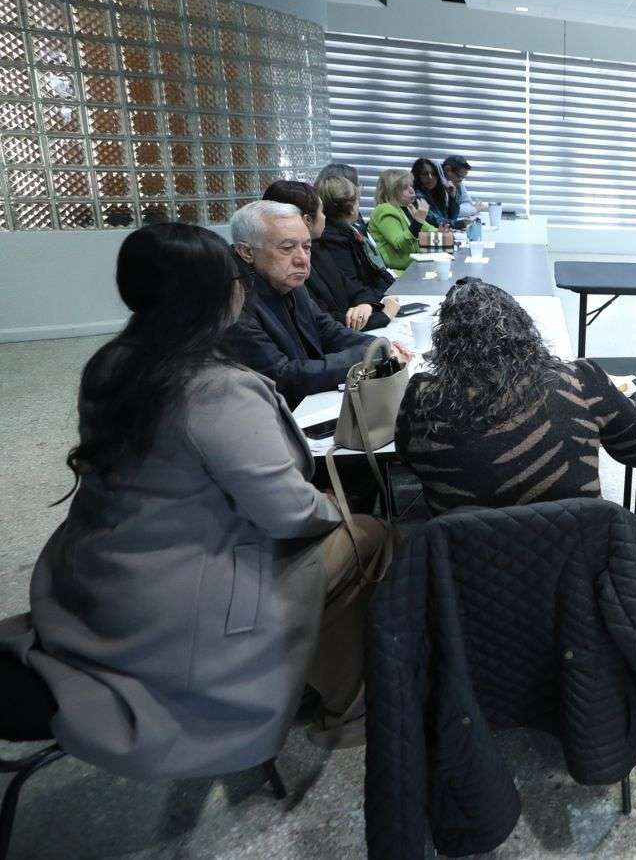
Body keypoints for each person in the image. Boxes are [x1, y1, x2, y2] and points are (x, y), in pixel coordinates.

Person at [0, 223, 390, 773]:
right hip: (180, 599)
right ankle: (348, 713)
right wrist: (331, 503)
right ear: (218, 293)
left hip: (95, 575)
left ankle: (309, 674)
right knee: (369, 536)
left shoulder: (110, 363)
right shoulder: (216, 389)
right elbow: (287, 514)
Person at [396, 279, 636, 510]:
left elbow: (409, 464)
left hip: (465, 553)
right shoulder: (578, 379)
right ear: (523, 329)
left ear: (444, 343)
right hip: (578, 548)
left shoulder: (422, 397)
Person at [226, 200, 409, 408]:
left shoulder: (287, 280)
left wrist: (379, 346)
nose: (302, 259)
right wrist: (365, 355)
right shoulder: (233, 304)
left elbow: (329, 331)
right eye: (287, 248)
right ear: (247, 252)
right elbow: (283, 375)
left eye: (306, 247)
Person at [310, 174, 398, 331]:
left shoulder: (349, 230)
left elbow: (355, 285)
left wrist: (373, 301)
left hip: (370, 304)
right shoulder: (331, 240)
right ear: (350, 207)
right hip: (353, 321)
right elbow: (353, 284)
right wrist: (383, 313)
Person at [369, 167, 437, 271]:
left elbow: (428, 233)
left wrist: (447, 239)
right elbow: (401, 245)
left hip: (416, 267)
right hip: (400, 273)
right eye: (405, 188)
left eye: (411, 186)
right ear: (391, 191)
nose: (412, 190)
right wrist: (418, 222)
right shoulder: (384, 210)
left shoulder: (407, 208)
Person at [410, 157, 458, 229]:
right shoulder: (417, 196)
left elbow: (452, 218)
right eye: (425, 174)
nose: (430, 177)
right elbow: (434, 222)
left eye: (433, 174)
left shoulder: (434, 193)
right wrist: (461, 223)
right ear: (417, 176)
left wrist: (452, 196)